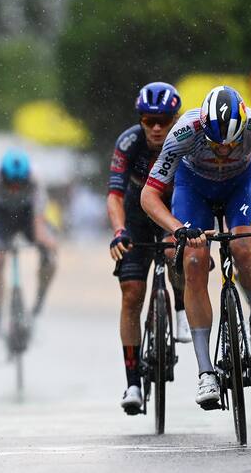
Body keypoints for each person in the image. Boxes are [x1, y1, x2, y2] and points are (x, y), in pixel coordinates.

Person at [141, 85, 251, 408]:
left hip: (241, 183)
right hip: (194, 186)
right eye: (215, 143)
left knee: (245, 249)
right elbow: (148, 195)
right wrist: (179, 229)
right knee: (194, 263)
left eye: (231, 143)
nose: (222, 149)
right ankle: (205, 371)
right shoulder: (183, 132)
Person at [107, 81, 190, 415]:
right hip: (137, 214)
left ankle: (181, 307)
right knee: (131, 294)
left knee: (173, 252)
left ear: (175, 120)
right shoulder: (128, 143)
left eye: (164, 121)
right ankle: (133, 384)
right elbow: (114, 195)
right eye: (149, 121)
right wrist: (119, 231)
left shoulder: (186, 141)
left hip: (175, 209)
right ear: (140, 120)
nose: (156, 128)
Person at [0, 149, 56, 335]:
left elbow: (39, 221)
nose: (14, 189)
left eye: (19, 184)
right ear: (2, 177)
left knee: (51, 257)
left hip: (27, 217)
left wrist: (45, 246)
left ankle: (39, 302)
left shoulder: (36, 180)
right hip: (2, 218)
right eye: (10, 184)